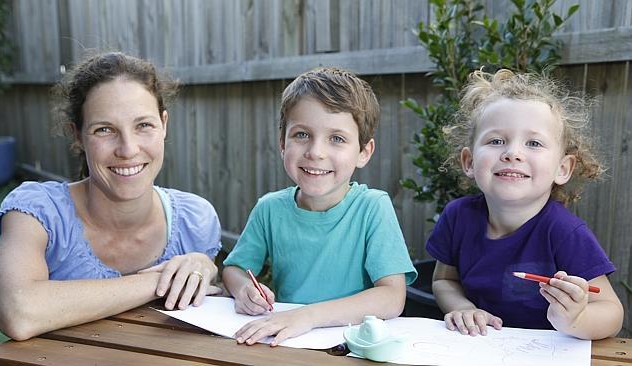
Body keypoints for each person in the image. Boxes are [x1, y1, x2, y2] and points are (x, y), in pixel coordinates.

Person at [0, 52, 222, 341]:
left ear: (164, 124)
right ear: (78, 135)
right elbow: (17, 311)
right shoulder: (38, 213)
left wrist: (205, 267)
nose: (127, 149)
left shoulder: (194, 221)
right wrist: (159, 280)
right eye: (104, 130)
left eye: (143, 125)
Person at [222, 67, 417, 346]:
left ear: (364, 152)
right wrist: (243, 290)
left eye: (336, 138)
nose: (315, 152)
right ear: (282, 143)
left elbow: (392, 297)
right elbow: (234, 269)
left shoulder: (373, 208)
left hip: (351, 346)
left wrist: (308, 316)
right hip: (287, 342)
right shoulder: (270, 209)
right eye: (302, 135)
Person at [427, 69, 623, 340]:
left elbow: (612, 311)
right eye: (496, 141)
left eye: (533, 143)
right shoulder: (457, 216)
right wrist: (463, 308)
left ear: (563, 168)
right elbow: (444, 280)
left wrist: (576, 318)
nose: (512, 154)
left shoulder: (565, 233)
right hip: (475, 350)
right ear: (469, 162)